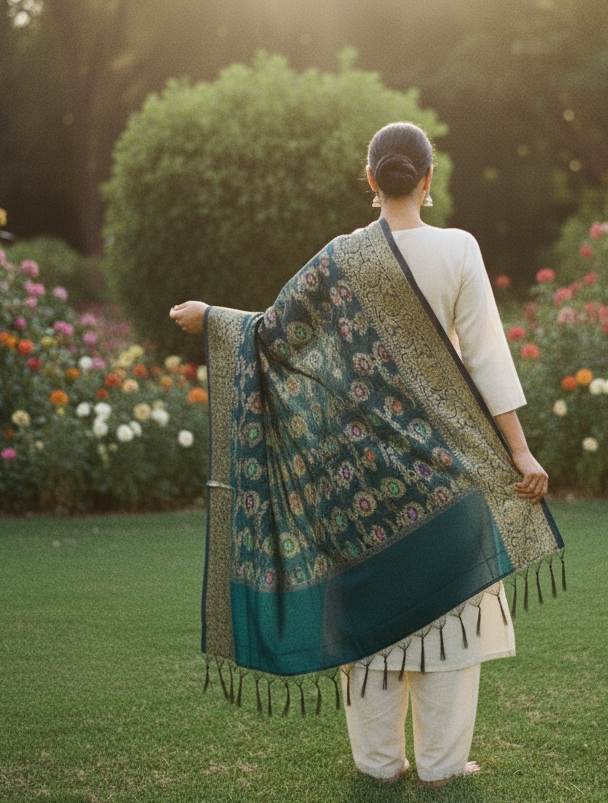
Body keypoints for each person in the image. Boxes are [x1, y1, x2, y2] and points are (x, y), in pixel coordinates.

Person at [170, 122, 551, 788]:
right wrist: (519, 452)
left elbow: (269, 336)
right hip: (447, 475)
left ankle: (378, 764)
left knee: (368, 617)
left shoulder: (340, 258)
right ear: (427, 180)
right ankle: (440, 765)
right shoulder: (458, 248)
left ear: (370, 179)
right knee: (449, 614)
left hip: (356, 485)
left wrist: (212, 315)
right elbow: (489, 358)